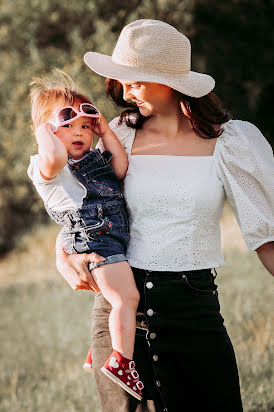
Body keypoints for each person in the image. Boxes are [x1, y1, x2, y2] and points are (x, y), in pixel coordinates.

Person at [56, 19, 274, 412]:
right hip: (119, 317)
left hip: (194, 313)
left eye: (135, 81)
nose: (123, 92)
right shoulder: (117, 136)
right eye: (121, 81)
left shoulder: (231, 143)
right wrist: (63, 254)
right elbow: (86, 204)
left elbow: (266, 236)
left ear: (169, 81)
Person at [27, 70, 144, 401]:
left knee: (117, 296)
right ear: (48, 131)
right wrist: (42, 129)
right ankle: (121, 362)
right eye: (67, 123)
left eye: (85, 124)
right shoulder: (49, 167)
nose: (79, 131)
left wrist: (104, 130)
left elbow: (120, 168)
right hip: (94, 240)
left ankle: (101, 350)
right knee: (125, 299)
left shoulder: (93, 158)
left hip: (110, 237)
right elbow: (53, 155)